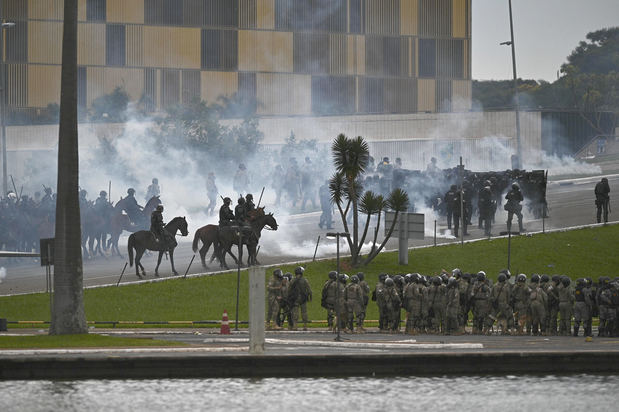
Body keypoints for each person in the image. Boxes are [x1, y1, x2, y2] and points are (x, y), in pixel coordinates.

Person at [288, 266, 312, 331]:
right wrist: (310, 297)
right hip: (303, 298)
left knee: (295, 312)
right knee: (304, 312)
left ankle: (295, 325)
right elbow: (309, 290)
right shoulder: (305, 280)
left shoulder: (292, 280)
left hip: (295, 299)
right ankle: (305, 326)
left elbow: (289, 289)